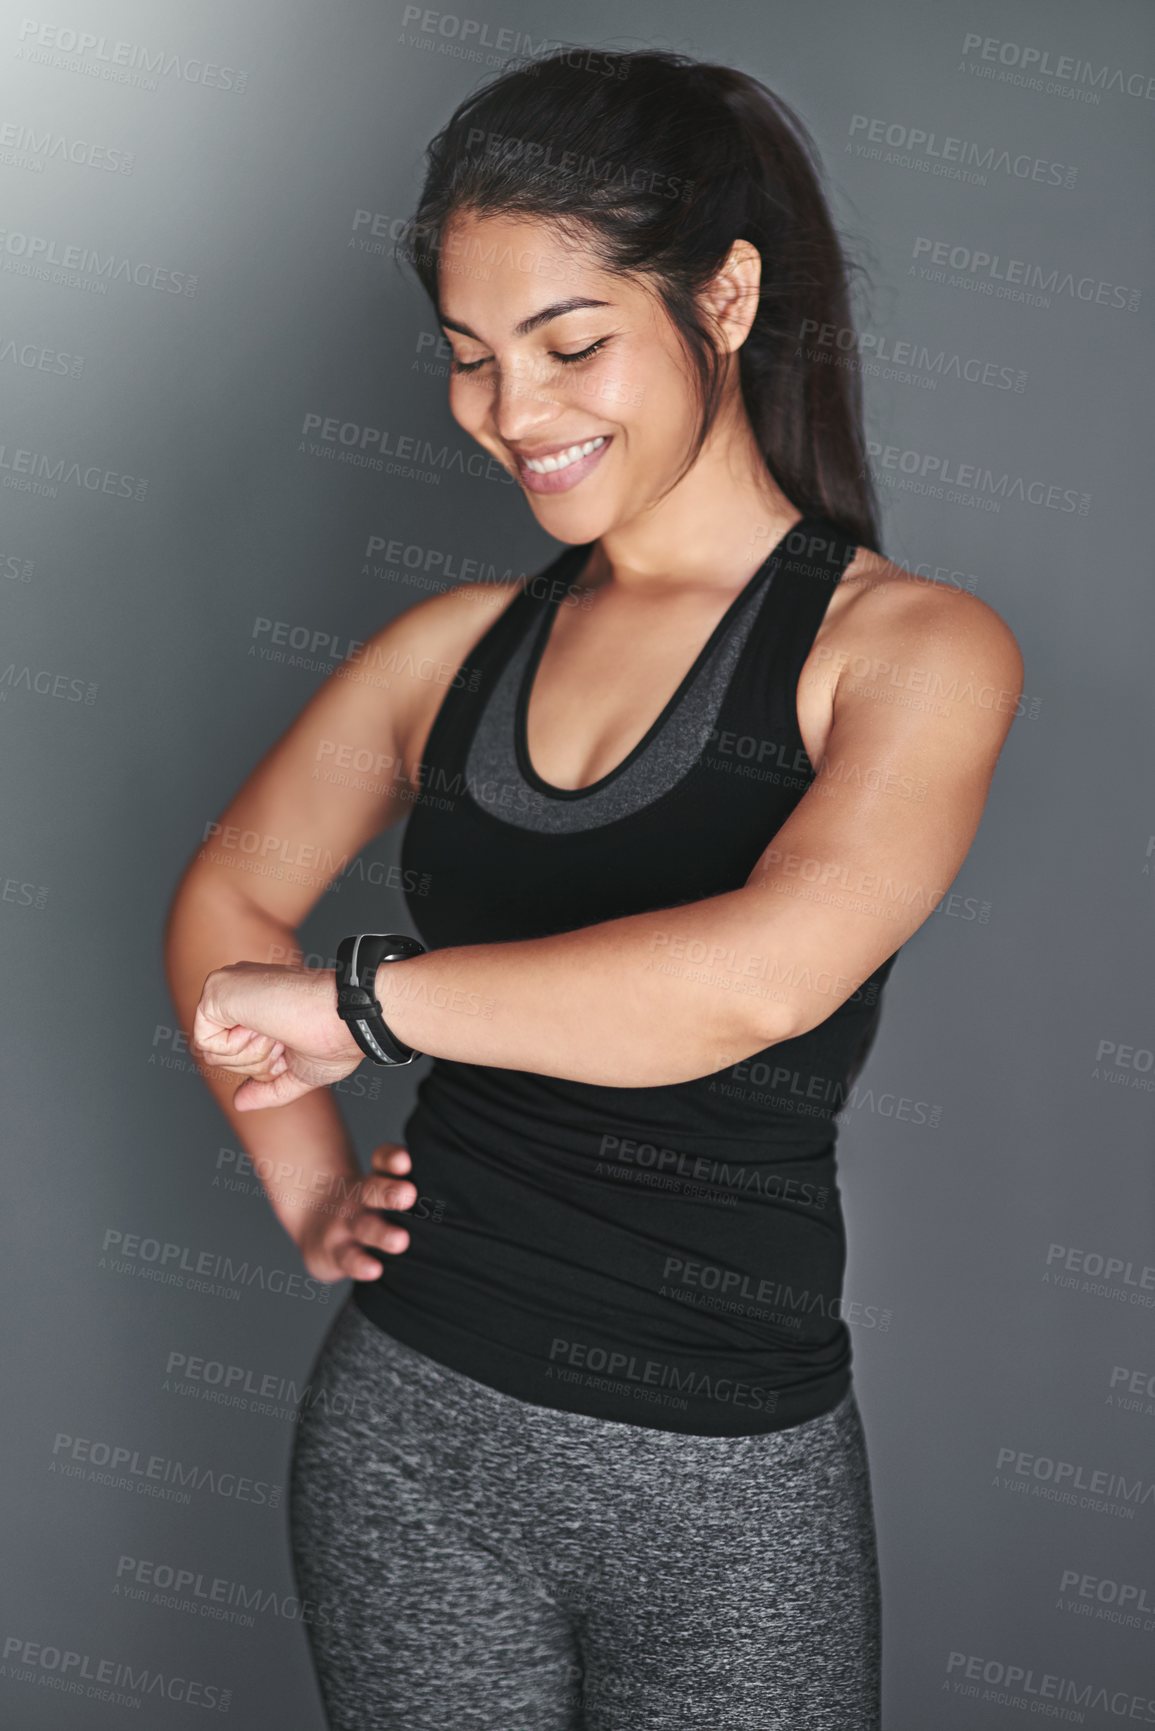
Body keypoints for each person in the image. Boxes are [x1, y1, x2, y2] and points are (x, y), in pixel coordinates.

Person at [167, 46, 1023, 1731]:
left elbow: (749, 985)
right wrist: (303, 1188)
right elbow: (222, 904)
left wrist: (356, 1001)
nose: (516, 414)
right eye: (473, 362)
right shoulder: (446, 653)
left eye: (571, 346)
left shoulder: (908, 652)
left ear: (725, 295)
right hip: (409, 1436)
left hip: (728, 1489)